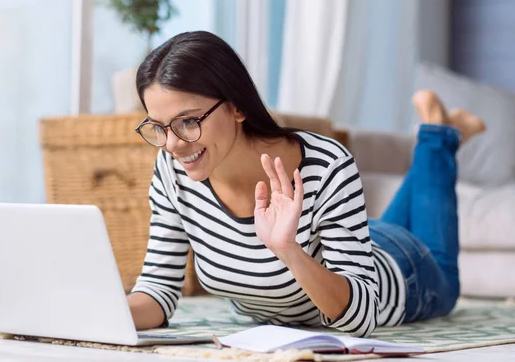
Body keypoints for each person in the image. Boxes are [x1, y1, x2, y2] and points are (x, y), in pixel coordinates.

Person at [125, 31, 486, 337]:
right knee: (386, 227)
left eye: (188, 122)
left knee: (444, 271)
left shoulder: (326, 163)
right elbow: (157, 290)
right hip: (352, 243)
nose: (173, 144)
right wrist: (98, 313)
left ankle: (439, 138)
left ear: (236, 106)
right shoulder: (174, 171)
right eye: (158, 127)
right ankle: (443, 133)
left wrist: (289, 251)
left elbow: (361, 317)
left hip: (403, 272)